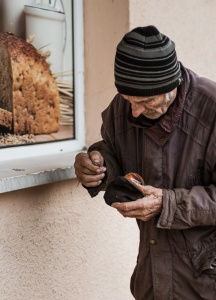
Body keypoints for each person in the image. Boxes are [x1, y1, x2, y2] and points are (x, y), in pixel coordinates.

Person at [74, 25, 216, 299]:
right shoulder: (122, 108)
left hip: (206, 280)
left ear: (171, 85)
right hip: (152, 278)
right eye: (129, 99)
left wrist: (167, 204)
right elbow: (115, 153)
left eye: (146, 101)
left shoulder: (210, 111)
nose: (135, 111)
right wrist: (97, 165)